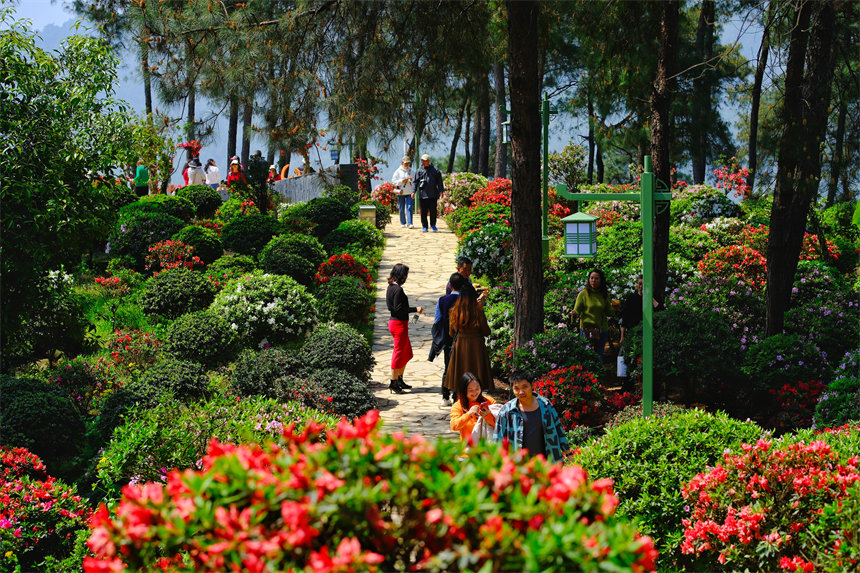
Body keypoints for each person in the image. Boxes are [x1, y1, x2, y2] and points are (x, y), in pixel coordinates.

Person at [494, 371, 570, 462]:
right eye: (516, 388)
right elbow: (498, 438)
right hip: (519, 466)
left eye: (525, 387)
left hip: (547, 463)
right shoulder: (507, 411)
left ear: (532, 385)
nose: (521, 392)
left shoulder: (546, 405)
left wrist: (568, 452)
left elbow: (558, 429)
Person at [445, 286, 493, 393]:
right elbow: (486, 331)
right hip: (477, 346)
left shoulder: (454, 312)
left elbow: (451, 333)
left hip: (460, 346)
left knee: (460, 374)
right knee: (477, 374)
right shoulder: (478, 311)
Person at [430, 272, 466, 407]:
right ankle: (458, 396)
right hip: (462, 339)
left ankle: (445, 396)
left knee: (448, 367)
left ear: (450, 285)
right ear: (462, 286)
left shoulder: (442, 300)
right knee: (461, 368)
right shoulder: (465, 301)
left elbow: (437, 320)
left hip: (447, 339)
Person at [386, 263, 423, 394]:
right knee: (398, 352)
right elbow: (398, 309)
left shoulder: (390, 287)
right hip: (399, 325)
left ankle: (399, 379)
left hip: (396, 323)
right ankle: (393, 381)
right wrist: (415, 309)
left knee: (407, 352)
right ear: (401, 275)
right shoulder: (398, 290)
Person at [573, 268, 614, 361]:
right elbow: (577, 309)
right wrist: (574, 313)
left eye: (596, 279)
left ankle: (598, 375)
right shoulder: (583, 294)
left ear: (601, 280)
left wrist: (614, 308)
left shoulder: (604, 294)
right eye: (591, 278)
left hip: (601, 329)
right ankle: (587, 375)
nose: (593, 281)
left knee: (598, 356)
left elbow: (609, 312)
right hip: (586, 329)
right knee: (586, 356)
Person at [449, 372, 496, 442]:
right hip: (469, 447)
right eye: (471, 390)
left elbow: (500, 424)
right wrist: (468, 414)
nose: (475, 393)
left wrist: (488, 415)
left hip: (488, 446)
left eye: (477, 389)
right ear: (464, 391)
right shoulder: (458, 406)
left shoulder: (490, 401)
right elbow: (454, 426)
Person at [619, 275, 665, 343]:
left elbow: (661, 312)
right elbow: (625, 317)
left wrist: (650, 298)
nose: (641, 287)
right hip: (633, 332)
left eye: (644, 285)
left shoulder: (655, 297)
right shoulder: (631, 298)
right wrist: (622, 336)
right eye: (640, 284)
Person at [414, 153, 444, 232]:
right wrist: (413, 192)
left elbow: (440, 182)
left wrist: (441, 191)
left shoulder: (435, 170)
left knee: (433, 211)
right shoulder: (419, 171)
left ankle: (433, 225)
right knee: (423, 212)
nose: (423, 162)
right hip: (422, 194)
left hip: (433, 194)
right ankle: (425, 226)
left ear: (429, 161)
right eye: (422, 161)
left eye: (425, 161)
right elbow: (415, 182)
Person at [391, 156, 415, 228]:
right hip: (401, 192)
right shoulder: (398, 171)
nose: (407, 165)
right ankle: (402, 222)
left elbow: (415, 182)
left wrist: (411, 181)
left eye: (408, 163)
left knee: (409, 207)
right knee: (401, 208)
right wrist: (401, 181)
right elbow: (394, 182)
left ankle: (410, 223)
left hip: (409, 192)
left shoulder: (412, 171)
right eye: (405, 163)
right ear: (402, 163)